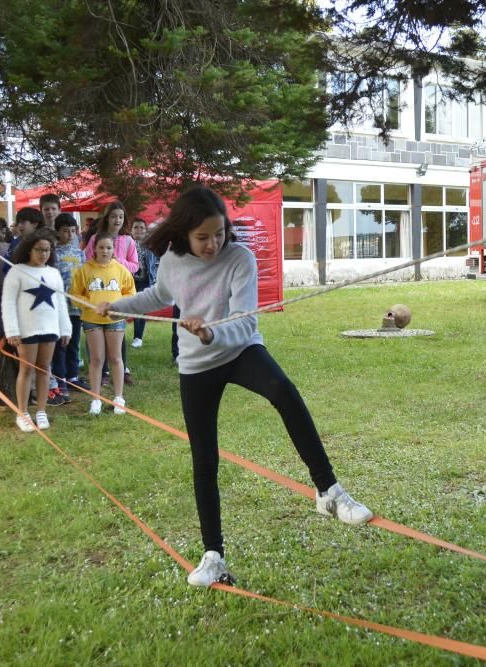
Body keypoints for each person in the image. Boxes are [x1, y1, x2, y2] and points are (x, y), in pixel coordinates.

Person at [95, 186, 372, 587]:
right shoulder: (172, 259)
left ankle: (328, 491)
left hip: (238, 349)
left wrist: (211, 334)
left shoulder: (240, 259)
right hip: (195, 363)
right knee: (204, 458)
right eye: (203, 237)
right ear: (185, 233)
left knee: (284, 391)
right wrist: (119, 305)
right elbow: (160, 293)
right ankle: (214, 557)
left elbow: (245, 320)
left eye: (219, 233)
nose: (213, 244)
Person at [0, 228, 71, 432]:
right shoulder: (17, 271)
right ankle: (22, 413)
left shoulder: (53, 273)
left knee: (44, 369)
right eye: (39, 250)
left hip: (49, 329)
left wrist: (65, 328)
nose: (43, 254)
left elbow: (60, 302)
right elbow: (8, 303)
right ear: (29, 250)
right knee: (26, 369)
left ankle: (41, 410)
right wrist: (12, 330)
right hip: (26, 330)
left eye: (47, 250)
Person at [70, 232, 136, 415]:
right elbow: (75, 293)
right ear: (94, 248)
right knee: (97, 359)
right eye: (101, 247)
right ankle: (96, 399)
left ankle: (119, 397)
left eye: (108, 247)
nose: (105, 251)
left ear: (113, 250)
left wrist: (117, 306)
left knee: (116, 358)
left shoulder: (121, 269)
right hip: (92, 320)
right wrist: (89, 304)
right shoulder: (85, 270)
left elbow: (130, 292)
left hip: (115, 319)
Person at [84, 201, 138, 384]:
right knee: (97, 328)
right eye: (114, 216)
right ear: (107, 218)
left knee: (117, 330)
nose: (117, 220)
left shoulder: (129, 240)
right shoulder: (95, 239)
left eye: (121, 217)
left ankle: (123, 369)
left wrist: (119, 262)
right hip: (98, 290)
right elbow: (86, 260)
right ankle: (102, 371)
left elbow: (135, 266)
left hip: (118, 291)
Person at [51, 213, 88, 399]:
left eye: (73, 231)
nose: (70, 235)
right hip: (60, 306)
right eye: (65, 231)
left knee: (73, 341)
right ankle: (60, 378)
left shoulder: (79, 253)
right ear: (57, 232)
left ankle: (73, 376)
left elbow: (83, 276)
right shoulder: (53, 253)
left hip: (75, 306)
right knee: (60, 344)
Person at [129, 218, 158, 348]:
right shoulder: (127, 243)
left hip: (145, 280)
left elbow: (156, 262)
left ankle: (138, 337)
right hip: (130, 280)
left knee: (140, 308)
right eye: (136, 227)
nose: (139, 230)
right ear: (131, 230)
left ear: (145, 230)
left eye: (142, 227)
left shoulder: (150, 245)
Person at [2, 207, 43, 274]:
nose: (19, 225)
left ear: (35, 224)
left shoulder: (43, 243)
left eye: (23, 222)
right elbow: (6, 266)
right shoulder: (15, 243)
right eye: (18, 222)